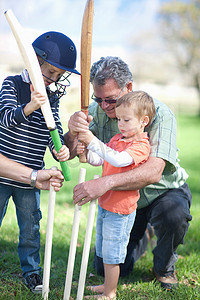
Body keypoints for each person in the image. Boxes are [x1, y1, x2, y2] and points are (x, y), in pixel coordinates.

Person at [64, 56, 192, 291]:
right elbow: (72, 152)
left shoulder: (160, 114)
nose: (104, 106)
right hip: (124, 200)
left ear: (128, 87)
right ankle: (143, 232)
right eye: (98, 99)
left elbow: (154, 172)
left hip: (161, 191)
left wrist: (104, 183)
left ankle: (164, 267)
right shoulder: (95, 110)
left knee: (173, 216)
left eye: (111, 100)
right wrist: (73, 133)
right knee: (107, 268)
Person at [0, 31, 80, 293]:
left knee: (31, 228)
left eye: (59, 76)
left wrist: (60, 150)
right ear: (34, 61)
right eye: (51, 73)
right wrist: (31, 106)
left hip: (31, 176)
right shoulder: (12, 84)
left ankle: (32, 272)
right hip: (3, 175)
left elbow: (52, 128)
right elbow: (6, 119)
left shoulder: (52, 96)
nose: (54, 81)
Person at [77, 91, 156, 299]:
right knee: (103, 247)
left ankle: (110, 293)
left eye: (126, 119)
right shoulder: (117, 138)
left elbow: (119, 160)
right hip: (106, 203)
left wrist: (93, 141)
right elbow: (101, 159)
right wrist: (86, 150)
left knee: (112, 254)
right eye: (119, 119)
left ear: (143, 121)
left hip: (120, 210)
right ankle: (105, 285)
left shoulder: (140, 146)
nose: (120, 123)